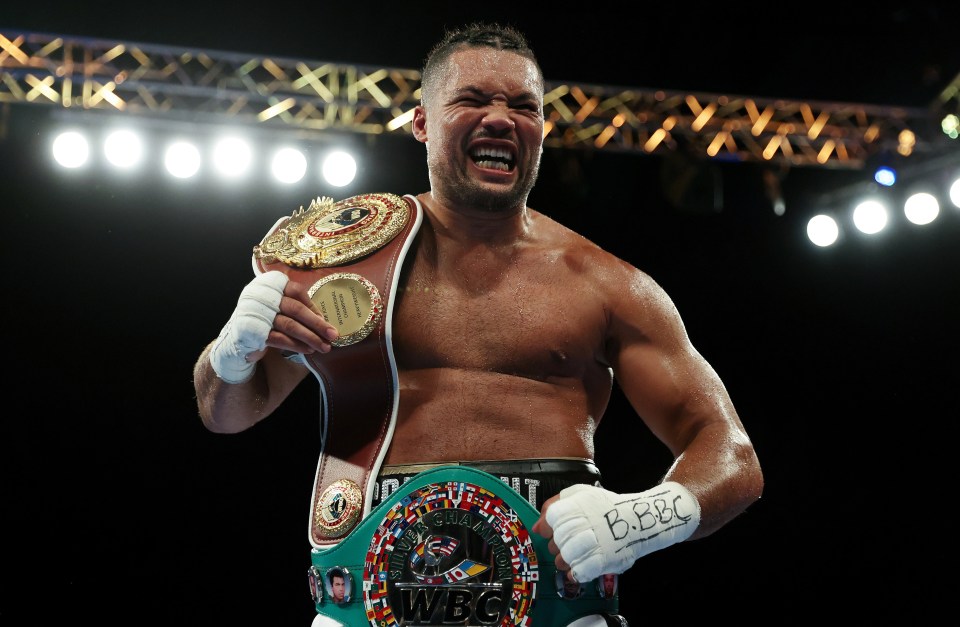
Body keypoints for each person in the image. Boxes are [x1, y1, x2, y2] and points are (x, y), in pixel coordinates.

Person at [192, 22, 763, 627]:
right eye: (472, 99)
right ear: (421, 123)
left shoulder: (604, 283)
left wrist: (642, 519)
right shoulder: (342, 264)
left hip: (556, 609)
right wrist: (230, 357)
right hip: (363, 603)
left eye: (524, 107)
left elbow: (732, 458)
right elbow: (229, 413)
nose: (500, 119)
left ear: (541, 132)